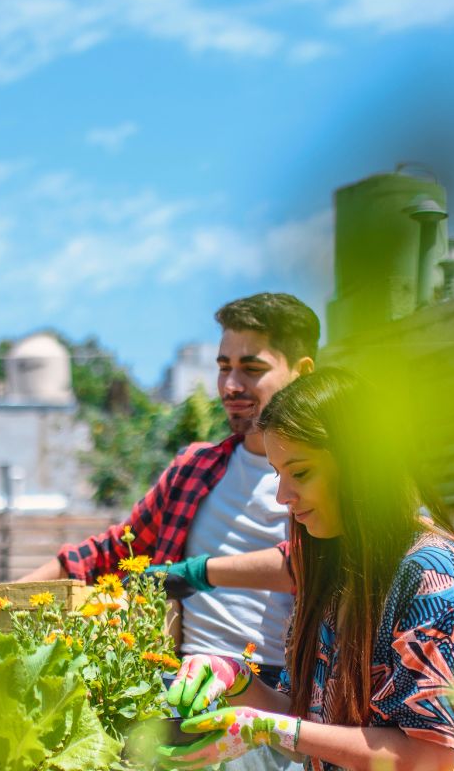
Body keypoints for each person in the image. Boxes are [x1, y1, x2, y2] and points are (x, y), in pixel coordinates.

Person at [21, 293, 317, 768]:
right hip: (178, 688)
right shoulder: (195, 468)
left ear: (302, 371)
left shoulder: (321, 477)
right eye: (223, 367)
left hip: (275, 697)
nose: (231, 384)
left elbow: (316, 564)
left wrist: (195, 572)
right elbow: (110, 552)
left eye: (252, 368)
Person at [159, 368, 454, 771]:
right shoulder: (335, 571)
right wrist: (237, 678)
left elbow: (432, 758)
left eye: (301, 473)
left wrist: (266, 729)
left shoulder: (432, 576)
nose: (282, 496)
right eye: (278, 474)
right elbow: (312, 729)